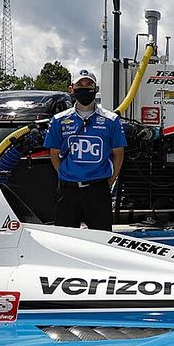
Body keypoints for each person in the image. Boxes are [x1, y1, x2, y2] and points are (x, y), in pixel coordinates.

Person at [44, 69, 125, 231]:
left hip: (98, 190)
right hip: (68, 190)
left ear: (96, 89)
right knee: (65, 240)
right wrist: (65, 175)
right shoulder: (59, 120)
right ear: (71, 89)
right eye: (80, 84)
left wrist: (109, 182)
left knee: (102, 241)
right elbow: (54, 154)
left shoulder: (111, 120)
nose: (85, 88)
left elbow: (118, 154)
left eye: (89, 84)